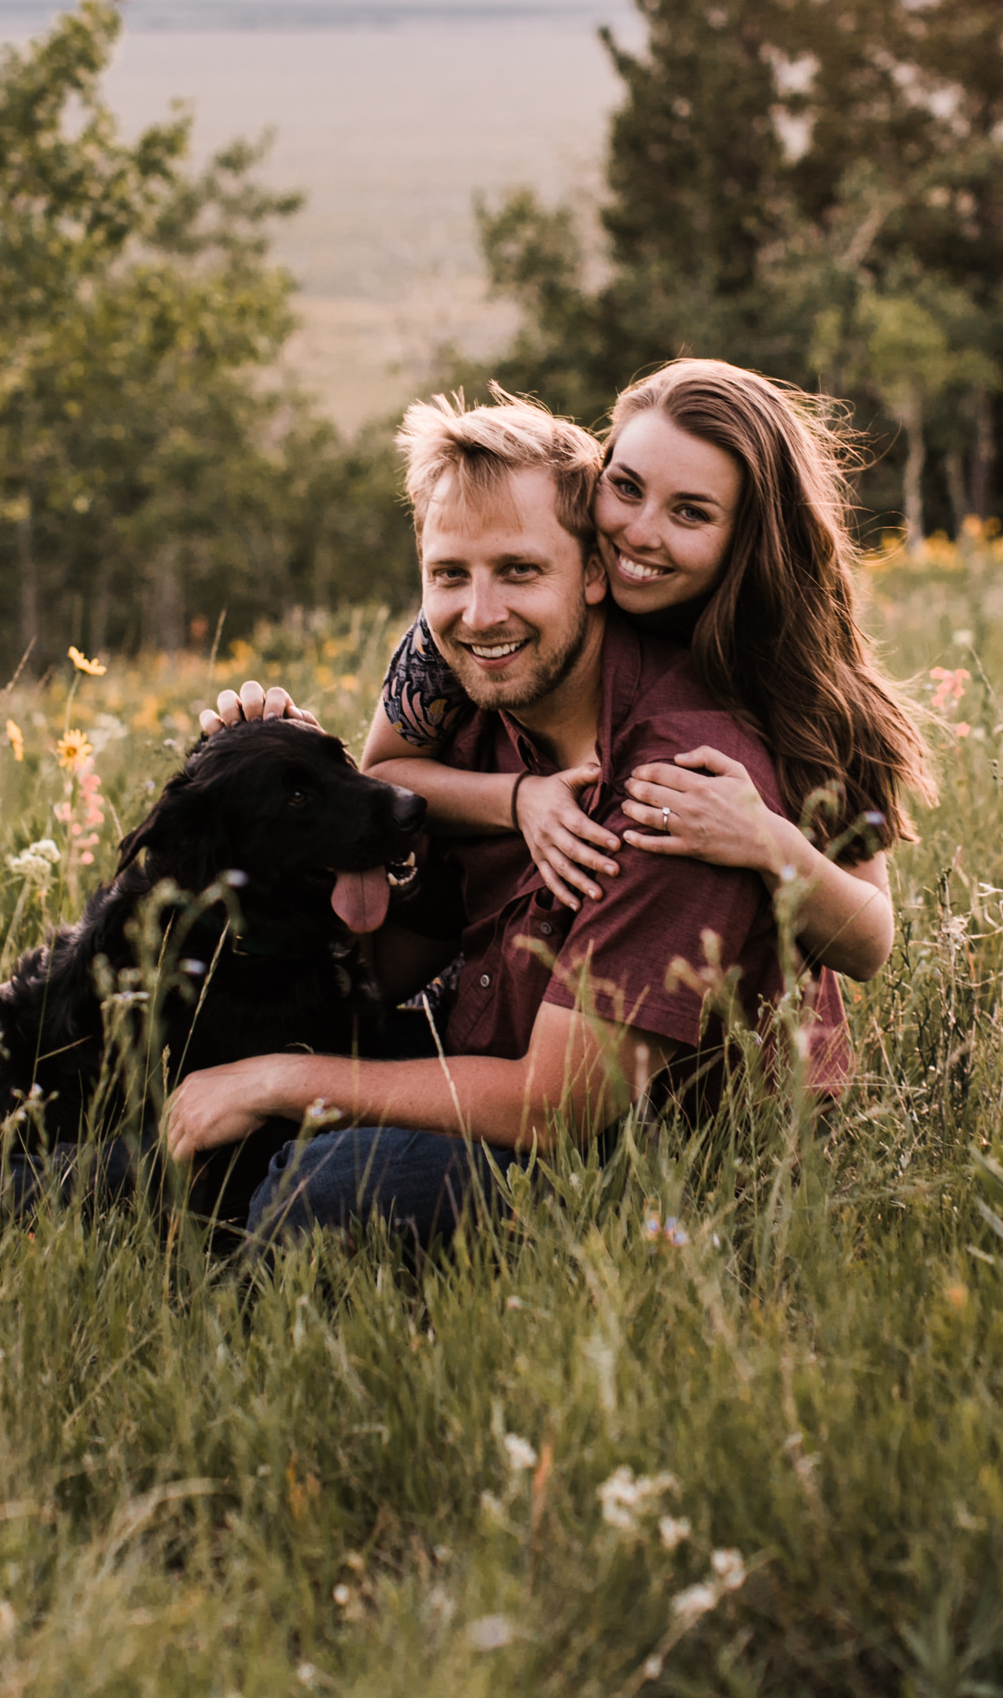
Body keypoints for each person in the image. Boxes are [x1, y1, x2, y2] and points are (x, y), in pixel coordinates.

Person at [167, 394, 803, 1243]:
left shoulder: (678, 785)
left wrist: (276, 1081)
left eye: (519, 570)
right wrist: (283, 798)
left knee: (317, 1188)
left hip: (629, 1139)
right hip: (476, 1043)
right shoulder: (468, 701)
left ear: (595, 572)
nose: (479, 614)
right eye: (449, 576)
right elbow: (383, 963)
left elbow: (558, 1106)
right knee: (142, 1069)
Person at [362, 361, 931, 984]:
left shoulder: (787, 675)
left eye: (690, 513)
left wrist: (765, 840)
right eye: (627, 488)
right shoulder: (485, 622)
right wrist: (519, 800)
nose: (636, 534)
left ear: (747, 539)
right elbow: (387, 771)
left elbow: (870, 946)